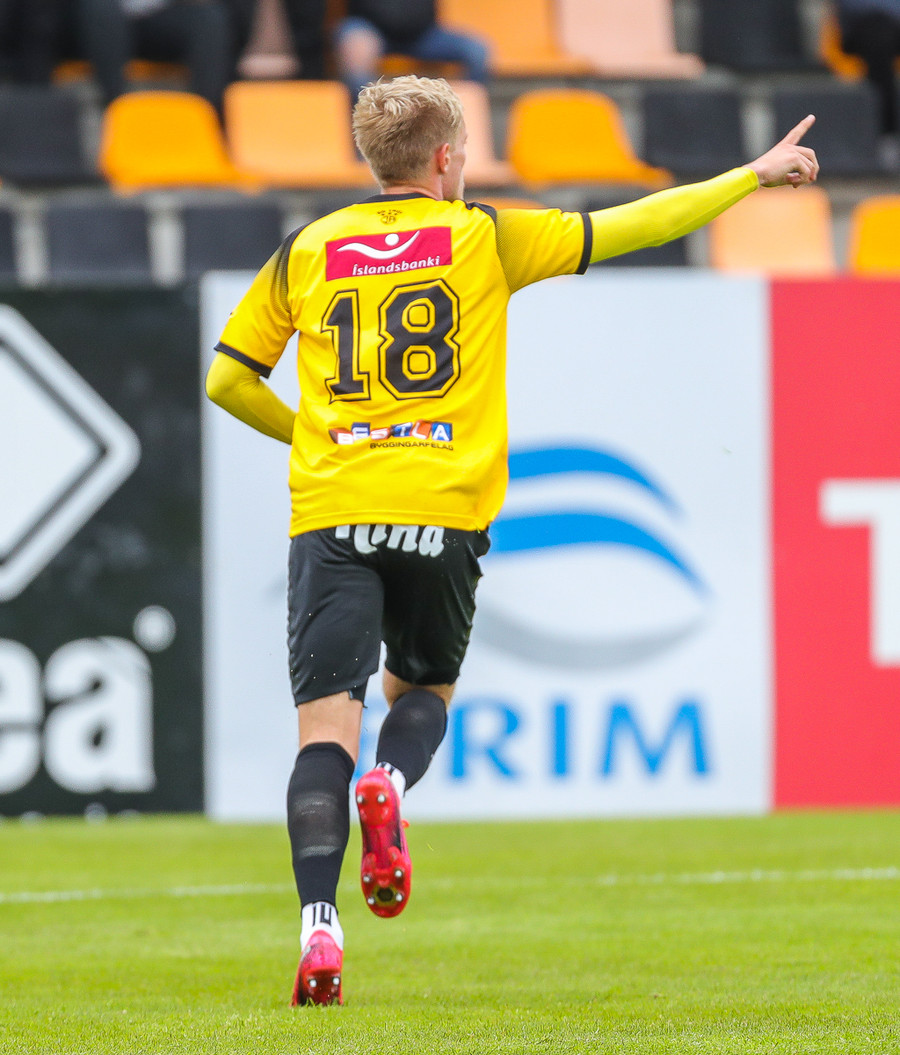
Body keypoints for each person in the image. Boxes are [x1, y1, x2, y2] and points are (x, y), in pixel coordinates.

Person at [205, 75, 819, 1007]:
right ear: (446, 157)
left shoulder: (309, 246)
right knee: (424, 692)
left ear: (373, 160)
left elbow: (228, 379)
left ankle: (319, 925)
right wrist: (751, 175)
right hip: (441, 510)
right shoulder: (485, 236)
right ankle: (391, 780)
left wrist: (317, 439)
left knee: (323, 731)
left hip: (333, 510)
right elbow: (635, 224)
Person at [77, 0, 235, 114]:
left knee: (209, 17)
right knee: (103, 8)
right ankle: (116, 111)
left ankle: (209, 116)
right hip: (89, 20)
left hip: (156, 17)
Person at [333, 0, 488, 102]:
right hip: (372, 29)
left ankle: (459, 123)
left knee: (475, 51)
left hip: (422, 35)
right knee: (353, 44)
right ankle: (365, 126)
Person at [837, 0, 900, 162]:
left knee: (881, 33)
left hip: (889, 29)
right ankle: (886, 134)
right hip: (862, 30)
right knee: (878, 32)